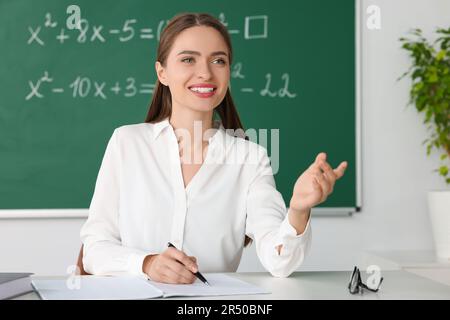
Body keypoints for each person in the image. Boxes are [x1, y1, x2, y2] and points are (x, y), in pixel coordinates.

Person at [80, 12, 347, 284]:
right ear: (162, 73)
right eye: (188, 59)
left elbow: (279, 261)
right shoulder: (128, 143)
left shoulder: (250, 159)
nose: (206, 73)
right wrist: (147, 264)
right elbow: (94, 249)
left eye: (218, 60)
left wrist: (298, 210)